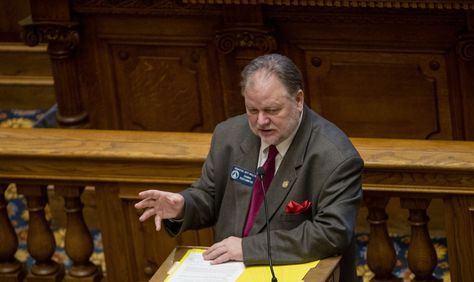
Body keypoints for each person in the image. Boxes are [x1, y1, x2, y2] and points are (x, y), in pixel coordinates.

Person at [134, 53, 363, 281]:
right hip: (228, 272)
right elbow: (210, 195)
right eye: (252, 110)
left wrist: (248, 248)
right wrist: (183, 206)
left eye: (272, 110)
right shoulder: (229, 135)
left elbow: (332, 233)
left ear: (299, 100)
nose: (261, 121)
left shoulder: (335, 157)